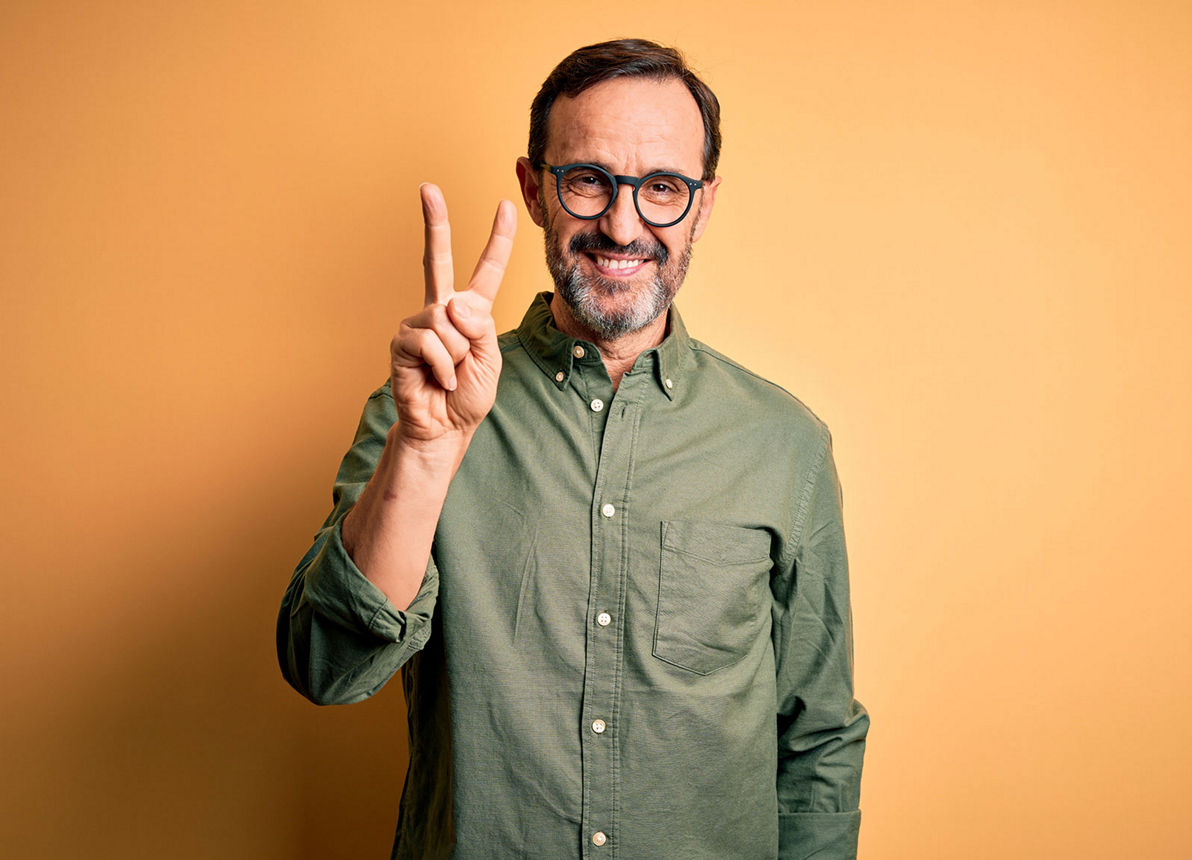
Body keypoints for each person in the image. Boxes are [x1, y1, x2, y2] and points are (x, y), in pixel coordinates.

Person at [278, 38, 868, 859]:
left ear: (702, 203)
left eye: (662, 187)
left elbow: (819, 742)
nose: (623, 224)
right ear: (535, 188)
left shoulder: (784, 447)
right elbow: (326, 669)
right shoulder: (423, 406)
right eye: (588, 179)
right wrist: (424, 450)